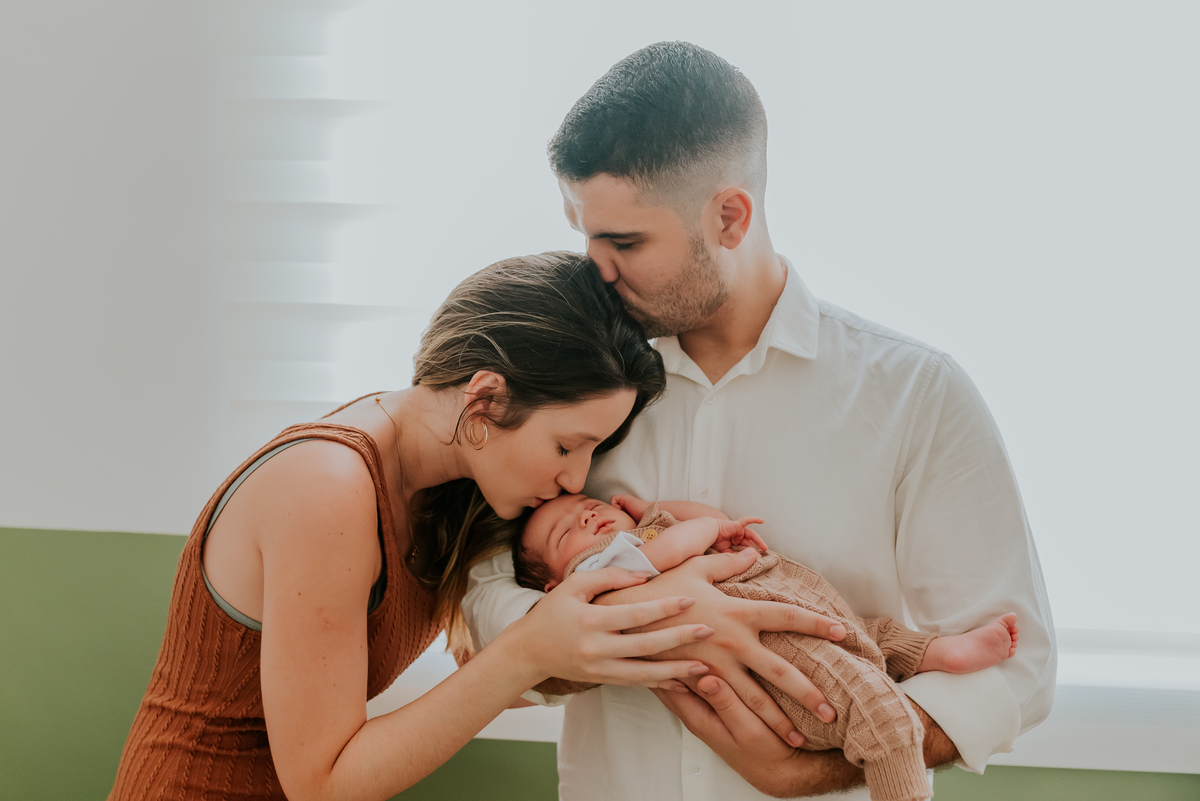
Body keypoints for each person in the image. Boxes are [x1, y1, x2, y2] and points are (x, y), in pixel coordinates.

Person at [462, 42, 1056, 800]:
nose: (594, 268)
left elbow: (1020, 668)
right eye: (583, 232)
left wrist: (810, 766)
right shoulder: (570, 388)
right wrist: (644, 610)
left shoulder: (917, 394)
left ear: (730, 216)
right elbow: (480, 604)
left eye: (624, 242)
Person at [107, 252, 766, 801]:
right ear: (484, 399)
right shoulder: (327, 488)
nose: (576, 478)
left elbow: (485, 665)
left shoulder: (455, 489)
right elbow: (322, 780)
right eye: (568, 445)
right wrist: (532, 650)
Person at [512, 493, 1021, 801]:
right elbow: (678, 542)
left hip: (808, 616)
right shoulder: (601, 578)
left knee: (874, 634)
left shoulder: (646, 534)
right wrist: (702, 528)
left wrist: (658, 510)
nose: (587, 519)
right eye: (566, 532)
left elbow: (702, 520)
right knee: (881, 713)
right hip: (780, 657)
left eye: (591, 506)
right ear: (554, 585)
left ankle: (936, 653)